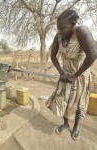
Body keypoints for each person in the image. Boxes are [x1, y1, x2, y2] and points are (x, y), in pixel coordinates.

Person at [46, 9, 97, 140]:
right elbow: (53, 56)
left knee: (79, 103)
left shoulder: (81, 32)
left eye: (63, 28)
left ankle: (76, 127)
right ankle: (65, 124)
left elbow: (92, 55)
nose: (60, 31)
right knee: (64, 101)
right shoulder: (58, 36)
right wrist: (62, 72)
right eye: (58, 29)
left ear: (73, 23)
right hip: (65, 76)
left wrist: (75, 75)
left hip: (80, 77)